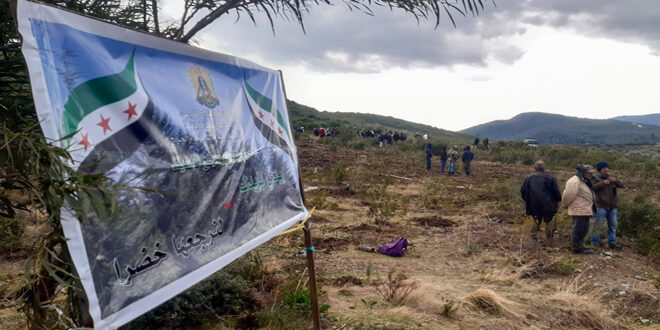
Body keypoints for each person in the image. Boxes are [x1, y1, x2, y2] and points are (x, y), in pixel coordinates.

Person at [520, 160, 562, 241]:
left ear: (534, 168)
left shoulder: (528, 178)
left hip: (533, 205)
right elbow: (556, 191)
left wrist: (528, 201)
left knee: (535, 223)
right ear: (544, 168)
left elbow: (523, 191)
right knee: (549, 223)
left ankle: (534, 240)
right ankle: (549, 240)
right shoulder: (551, 178)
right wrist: (558, 201)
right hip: (549, 205)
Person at [562, 165, 597, 254]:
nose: (590, 175)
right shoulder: (574, 181)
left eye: (591, 173)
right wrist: (565, 205)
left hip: (584, 209)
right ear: (582, 172)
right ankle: (576, 248)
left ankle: (579, 246)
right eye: (588, 173)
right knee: (578, 229)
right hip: (578, 209)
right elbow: (568, 195)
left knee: (583, 230)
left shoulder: (583, 181)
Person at [591, 161, 624, 248]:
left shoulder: (611, 176)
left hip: (612, 206)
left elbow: (622, 185)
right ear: (600, 169)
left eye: (606, 167)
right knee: (598, 224)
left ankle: (612, 243)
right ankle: (594, 242)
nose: (606, 169)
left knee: (613, 225)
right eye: (604, 168)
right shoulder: (595, 177)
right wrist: (602, 183)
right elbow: (592, 188)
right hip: (601, 205)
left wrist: (616, 181)